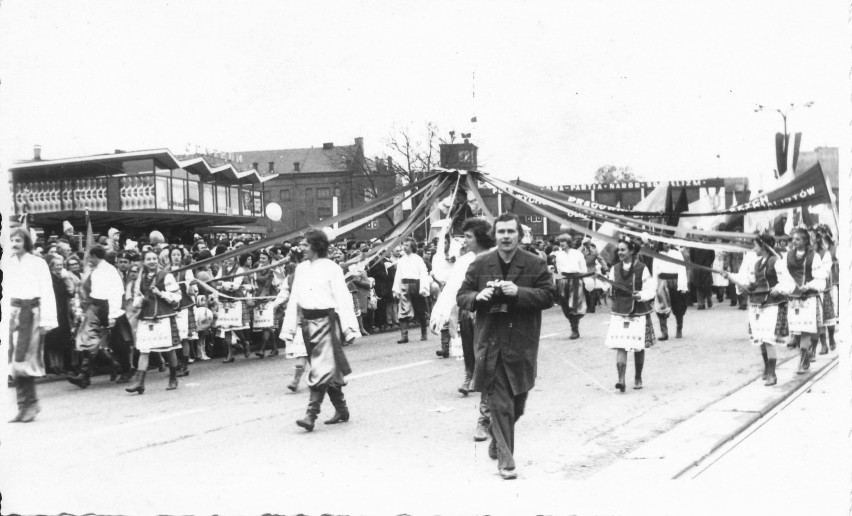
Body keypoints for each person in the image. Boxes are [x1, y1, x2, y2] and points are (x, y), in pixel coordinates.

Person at [457, 213, 555, 480]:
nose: (506, 236)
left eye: (511, 232)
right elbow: (462, 295)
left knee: (517, 404)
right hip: (491, 340)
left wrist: (519, 293)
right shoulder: (480, 264)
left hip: (522, 342)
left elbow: (549, 295)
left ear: (519, 235)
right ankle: (506, 460)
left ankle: (496, 438)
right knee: (500, 402)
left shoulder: (535, 263)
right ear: (495, 235)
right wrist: (478, 296)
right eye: (501, 232)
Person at [281, 229, 360, 432]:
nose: (302, 248)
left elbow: (343, 297)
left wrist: (350, 328)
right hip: (307, 324)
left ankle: (311, 415)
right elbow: (295, 299)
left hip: (326, 321)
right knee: (326, 369)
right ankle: (342, 409)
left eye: (305, 245)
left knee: (320, 369)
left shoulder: (332, 268)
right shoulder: (300, 269)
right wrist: (289, 328)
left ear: (316, 246)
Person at [8, 228, 58, 422]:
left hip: (33, 314)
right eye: (11, 240)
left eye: (18, 240)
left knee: (25, 360)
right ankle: (22, 406)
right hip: (14, 314)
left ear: (26, 242)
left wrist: (48, 319)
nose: (14, 243)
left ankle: (32, 403)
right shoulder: (9, 264)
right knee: (13, 361)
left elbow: (47, 290)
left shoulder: (38, 263)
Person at [725, 233, 789, 386]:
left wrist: (778, 288)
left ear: (764, 247)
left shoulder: (776, 262)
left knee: (768, 338)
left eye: (756, 245)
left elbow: (786, 280)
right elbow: (750, 282)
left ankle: (773, 373)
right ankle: (767, 367)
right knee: (760, 338)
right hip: (757, 303)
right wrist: (730, 276)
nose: (754, 248)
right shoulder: (757, 263)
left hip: (772, 303)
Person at [67, 245, 126, 389]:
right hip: (95, 309)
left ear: (94, 256)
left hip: (107, 309)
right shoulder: (94, 270)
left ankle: (120, 367)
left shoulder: (108, 270)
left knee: (116, 343)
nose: (87, 259)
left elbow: (116, 292)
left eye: (89, 256)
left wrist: (112, 313)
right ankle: (85, 375)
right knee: (88, 340)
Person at [125, 249, 183, 393]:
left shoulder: (166, 276)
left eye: (154, 258)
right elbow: (136, 297)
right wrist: (140, 301)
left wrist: (160, 293)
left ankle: (173, 378)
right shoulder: (141, 277)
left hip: (163, 316)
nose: (152, 261)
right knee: (144, 349)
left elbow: (177, 296)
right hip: (146, 317)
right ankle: (140, 382)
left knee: (168, 350)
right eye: (149, 259)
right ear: (144, 262)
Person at [604, 238, 656, 393]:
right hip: (619, 311)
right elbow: (610, 285)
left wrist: (641, 295)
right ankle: (621, 379)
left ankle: (638, 377)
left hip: (637, 311)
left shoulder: (642, 268)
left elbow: (650, 288)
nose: (619, 252)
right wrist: (602, 285)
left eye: (623, 250)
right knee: (621, 345)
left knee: (638, 347)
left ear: (632, 251)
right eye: (618, 250)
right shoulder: (614, 268)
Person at [779, 227, 826, 374]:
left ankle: (803, 358)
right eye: (793, 239)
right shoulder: (787, 256)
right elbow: (784, 275)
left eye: (797, 239)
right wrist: (788, 287)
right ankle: (805, 354)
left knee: (805, 330)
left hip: (808, 297)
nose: (794, 241)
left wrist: (809, 286)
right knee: (797, 331)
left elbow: (820, 278)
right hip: (794, 297)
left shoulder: (815, 256)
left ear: (805, 241)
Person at [392, 238, 431, 344]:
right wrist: (396, 290)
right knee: (403, 311)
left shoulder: (418, 259)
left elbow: (423, 273)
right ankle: (404, 336)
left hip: (416, 285)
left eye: (408, 245)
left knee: (420, 310)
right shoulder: (401, 260)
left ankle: (424, 333)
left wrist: (423, 288)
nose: (405, 247)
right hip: (404, 285)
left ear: (413, 247)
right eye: (404, 245)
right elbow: (398, 276)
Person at [167, 246, 197, 375]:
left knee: (184, 337)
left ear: (182, 256)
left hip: (184, 306)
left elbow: (193, 292)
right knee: (174, 337)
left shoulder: (187, 271)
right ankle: (177, 364)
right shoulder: (166, 272)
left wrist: (191, 285)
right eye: (173, 254)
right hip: (171, 307)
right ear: (170, 257)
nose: (176, 257)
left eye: (178, 254)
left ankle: (185, 365)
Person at [553, 234, 588, 340]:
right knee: (565, 306)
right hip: (563, 280)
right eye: (560, 241)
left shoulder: (578, 254)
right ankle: (573, 324)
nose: (561, 243)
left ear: (569, 242)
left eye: (563, 241)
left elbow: (583, 269)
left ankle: (574, 329)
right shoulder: (558, 255)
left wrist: (584, 281)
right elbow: (558, 270)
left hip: (576, 280)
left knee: (574, 305)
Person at [652, 242, 688, 340]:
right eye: (664, 244)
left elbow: (682, 269)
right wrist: (655, 287)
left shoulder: (677, 254)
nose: (667, 245)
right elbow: (654, 271)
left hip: (675, 281)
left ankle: (679, 328)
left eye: (668, 243)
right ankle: (664, 332)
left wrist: (682, 285)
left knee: (678, 306)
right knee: (661, 307)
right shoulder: (657, 255)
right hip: (662, 282)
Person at [251, 251, 279, 358]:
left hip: (267, 297)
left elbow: (267, 286)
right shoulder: (257, 268)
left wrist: (262, 298)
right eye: (260, 258)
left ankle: (262, 349)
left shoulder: (271, 270)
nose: (261, 260)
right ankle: (274, 348)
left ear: (268, 259)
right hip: (258, 296)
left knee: (267, 325)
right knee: (265, 325)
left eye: (264, 258)